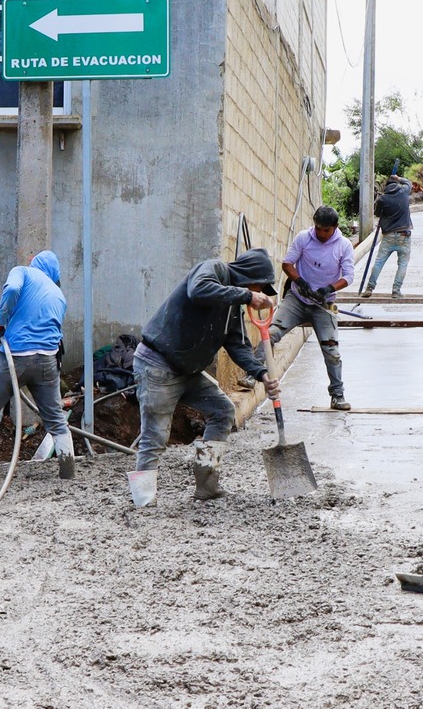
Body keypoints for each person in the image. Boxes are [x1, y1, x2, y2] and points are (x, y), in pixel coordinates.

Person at [129, 249, 278, 506]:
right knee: (155, 436)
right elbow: (198, 290)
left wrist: (261, 373)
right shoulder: (214, 270)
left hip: (188, 371)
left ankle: (207, 486)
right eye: (260, 287)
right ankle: (143, 500)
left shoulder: (233, 308)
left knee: (222, 410)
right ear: (249, 277)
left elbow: (237, 345)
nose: (259, 292)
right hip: (158, 365)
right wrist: (247, 295)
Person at [0, 249, 73, 484]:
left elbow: (11, 290)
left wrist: (0, 324)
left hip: (17, 358)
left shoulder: (23, 272)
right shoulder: (59, 295)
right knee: (55, 418)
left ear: (34, 264)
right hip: (48, 362)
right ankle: (68, 473)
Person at [275, 205, 354, 411]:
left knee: (332, 350)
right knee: (272, 333)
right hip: (297, 298)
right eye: (318, 228)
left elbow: (348, 276)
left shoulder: (344, 245)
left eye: (325, 230)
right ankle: (252, 374)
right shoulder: (304, 238)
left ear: (335, 227)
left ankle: (337, 395)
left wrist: (327, 289)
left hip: (323, 304)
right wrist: (300, 282)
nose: (320, 233)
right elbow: (287, 263)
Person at [360, 173, 413, 299]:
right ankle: (396, 290)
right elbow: (408, 183)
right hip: (404, 235)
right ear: (396, 184)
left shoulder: (382, 199)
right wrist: (398, 178)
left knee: (379, 262)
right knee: (403, 264)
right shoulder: (404, 192)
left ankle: (370, 288)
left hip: (389, 235)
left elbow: (378, 213)